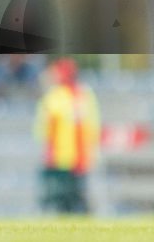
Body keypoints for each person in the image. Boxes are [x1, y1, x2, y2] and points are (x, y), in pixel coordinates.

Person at [34, 58, 100, 214]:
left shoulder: (75, 95)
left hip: (75, 156)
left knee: (75, 196)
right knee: (62, 197)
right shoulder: (61, 95)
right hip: (61, 157)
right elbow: (44, 128)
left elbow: (91, 125)